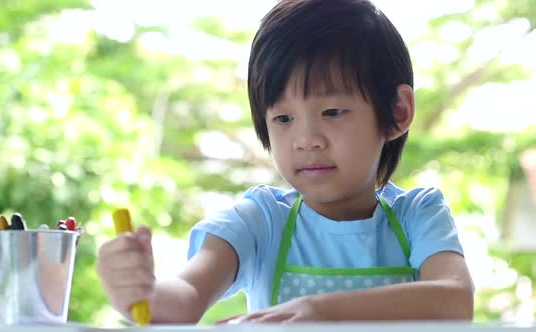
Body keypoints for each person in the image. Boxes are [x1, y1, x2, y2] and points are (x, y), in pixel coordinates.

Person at [96, 0, 474, 324]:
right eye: (283, 119)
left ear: (397, 112)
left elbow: (455, 300)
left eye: (332, 111)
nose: (306, 140)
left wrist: (324, 313)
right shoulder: (259, 220)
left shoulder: (418, 214)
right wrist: (138, 290)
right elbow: (185, 297)